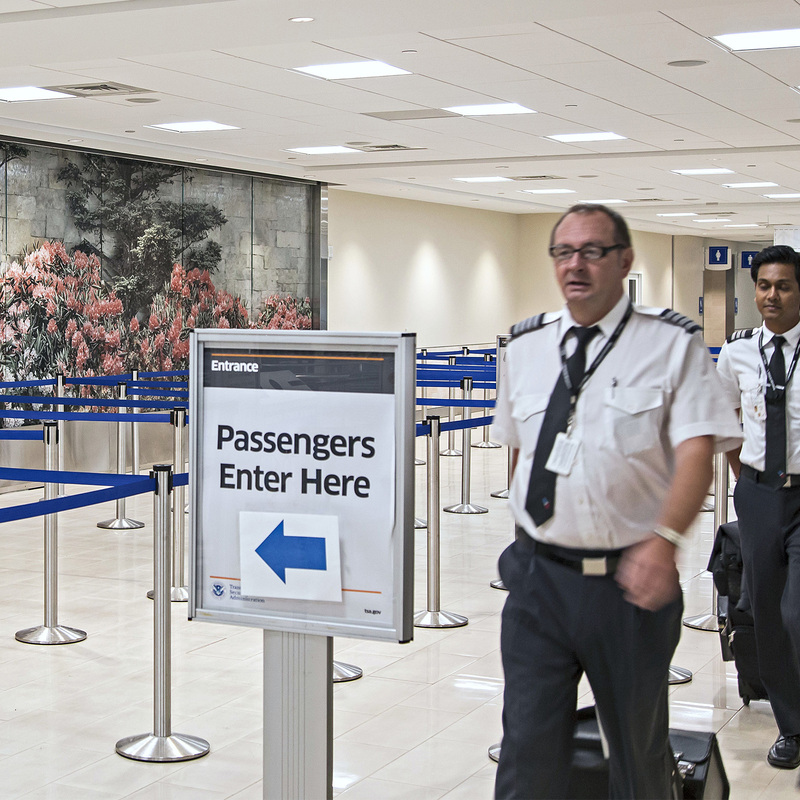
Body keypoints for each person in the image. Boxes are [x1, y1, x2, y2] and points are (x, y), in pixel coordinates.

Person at [492, 203, 742, 799]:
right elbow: (520, 451)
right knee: (526, 747)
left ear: (624, 260)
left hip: (629, 585)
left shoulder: (671, 343)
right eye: (563, 252)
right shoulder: (525, 345)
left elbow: (696, 452)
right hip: (539, 579)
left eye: (591, 251)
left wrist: (664, 542)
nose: (574, 265)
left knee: (636, 748)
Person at [716, 244, 800, 770]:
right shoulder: (737, 351)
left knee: (796, 612)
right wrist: (743, 477)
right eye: (765, 286)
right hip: (759, 494)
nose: (772, 295)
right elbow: (726, 418)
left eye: (784, 286)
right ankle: (790, 726)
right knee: (767, 613)